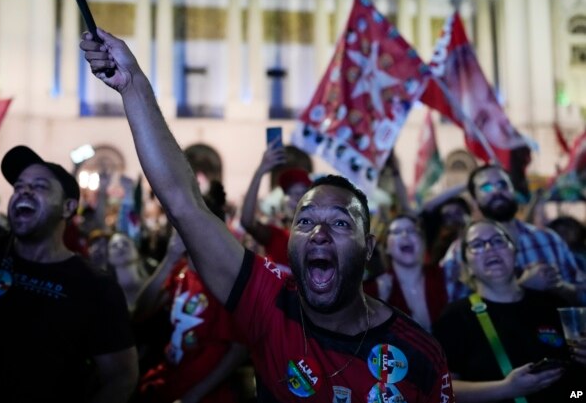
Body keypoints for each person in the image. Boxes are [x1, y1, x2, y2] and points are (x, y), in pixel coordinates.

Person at [81, 28, 454, 403]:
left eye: (341, 222)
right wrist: (134, 87)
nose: (319, 233)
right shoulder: (268, 303)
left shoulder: (421, 354)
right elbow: (183, 203)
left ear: (369, 247)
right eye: (304, 221)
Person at [0, 145, 138, 403]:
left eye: (40, 186)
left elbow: (122, 377)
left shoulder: (96, 288)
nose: (24, 191)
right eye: (18, 186)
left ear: (68, 208)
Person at [433, 219, 583, 402]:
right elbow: (443, 389)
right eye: (477, 245)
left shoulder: (553, 304)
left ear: (515, 253)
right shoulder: (455, 317)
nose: (490, 248)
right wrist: (505, 389)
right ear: (467, 266)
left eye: (498, 241)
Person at [132, 181, 248, 403]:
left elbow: (239, 350)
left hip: (205, 394)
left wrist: (191, 397)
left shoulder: (225, 281)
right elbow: (140, 312)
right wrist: (169, 259)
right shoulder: (180, 271)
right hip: (167, 381)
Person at [440, 164, 585, 303]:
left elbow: (579, 297)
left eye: (503, 185)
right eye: (487, 187)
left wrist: (558, 286)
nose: (496, 191)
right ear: (474, 200)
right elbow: (459, 314)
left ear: (513, 190)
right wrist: (522, 286)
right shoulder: (461, 251)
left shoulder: (548, 239)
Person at [364, 215, 448, 332]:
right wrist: (380, 304)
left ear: (423, 242)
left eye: (412, 231)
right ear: (386, 247)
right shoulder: (372, 290)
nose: (405, 235)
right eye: (397, 232)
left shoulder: (445, 276)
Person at [240, 144, 312, 271]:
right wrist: (260, 171)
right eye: (293, 194)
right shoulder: (277, 236)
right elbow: (247, 221)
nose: (297, 198)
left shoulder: (320, 236)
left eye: (302, 193)